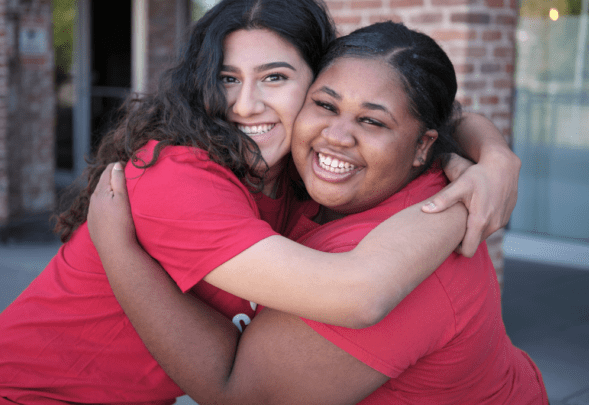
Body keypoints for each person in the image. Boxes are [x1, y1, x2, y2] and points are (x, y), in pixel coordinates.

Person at [0, 0, 518, 405]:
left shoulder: (296, 175)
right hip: (21, 394)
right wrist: (468, 200)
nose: (244, 105)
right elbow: (358, 293)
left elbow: (422, 116)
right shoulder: (176, 174)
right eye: (227, 78)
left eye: (275, 78)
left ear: (316, 80)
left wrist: (488, 159)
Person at [88, 22, 547, 404]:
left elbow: (241, 394)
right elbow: (456, 120)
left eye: (372, 121)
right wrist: (494, 154)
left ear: (423, 145)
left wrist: (119, 251)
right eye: (325, 105)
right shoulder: (329, 181)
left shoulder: (407, 257)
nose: (337, 136)